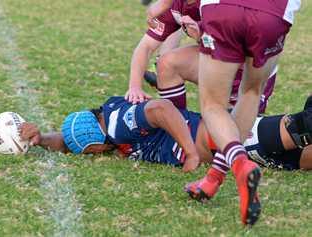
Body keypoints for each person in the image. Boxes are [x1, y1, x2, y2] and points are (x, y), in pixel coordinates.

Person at [188, 0, 301, 225]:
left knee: (213, 104)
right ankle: (214, 178)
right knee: (251, 92)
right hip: (273, 15)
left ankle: (240, 163)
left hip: (224, 9)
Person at [20, 95, 312, 173]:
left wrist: (191, 151)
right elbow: (69, 141)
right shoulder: (103, 125)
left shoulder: (116, 127)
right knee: (301, 160)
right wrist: (41, 139)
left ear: (97, 144)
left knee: (300, 128)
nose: (88, 156)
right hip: (231, 148)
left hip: (222, 138)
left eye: (87, 152)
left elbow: (160, 109)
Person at [127, 0, 277, 114]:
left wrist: (201, 36)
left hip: (250, 72)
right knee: (167, 62)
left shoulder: (218, 6)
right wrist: (135, 87)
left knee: (230, 132)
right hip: (218, 62)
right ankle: (177, 123)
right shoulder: (175, 6)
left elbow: (233, 49)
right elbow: (145, 47)